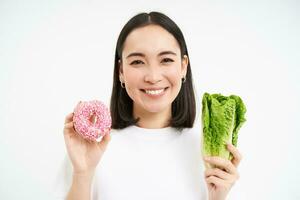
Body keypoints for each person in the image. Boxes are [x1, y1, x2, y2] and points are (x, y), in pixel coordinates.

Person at [59, 11, 242, 200]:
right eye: (138, 61)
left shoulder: (210, 155)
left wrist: (217, 197)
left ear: (183, 66)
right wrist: (83, 173)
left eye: (166, 60)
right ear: (121, 71)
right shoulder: (91, 151)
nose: (153, 77)